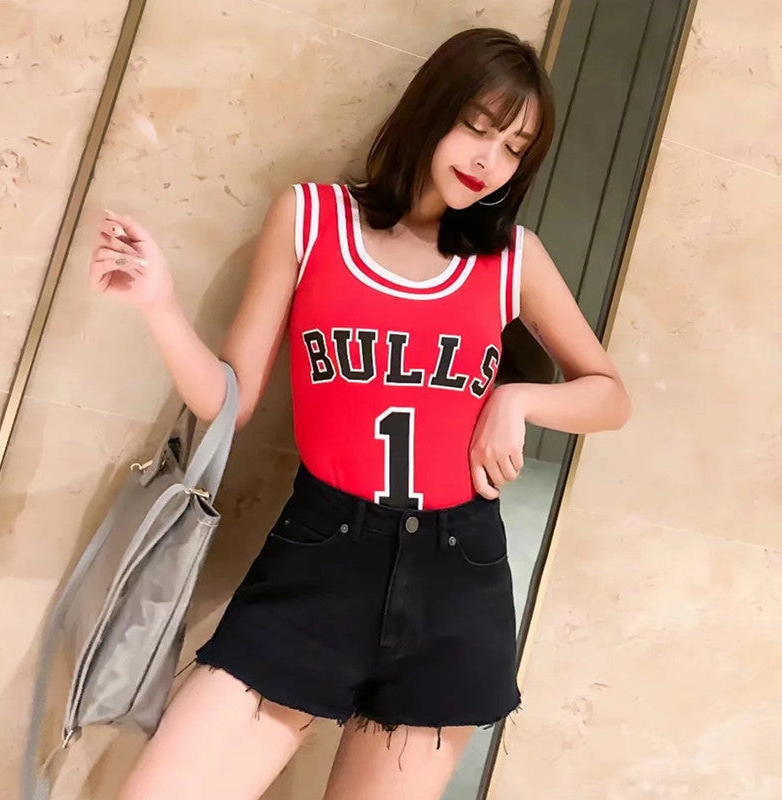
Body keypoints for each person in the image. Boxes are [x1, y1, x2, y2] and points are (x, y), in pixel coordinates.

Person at [90, 26, 631, 800]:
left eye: (514, 148)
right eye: (476, 126)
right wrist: (160, 304)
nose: (488, 160)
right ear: (431, 109)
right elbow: (229, 402)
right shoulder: (312, 218)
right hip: (321, 556)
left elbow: (610, 394)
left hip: (456, 576)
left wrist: (519, 398)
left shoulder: (513, 259)